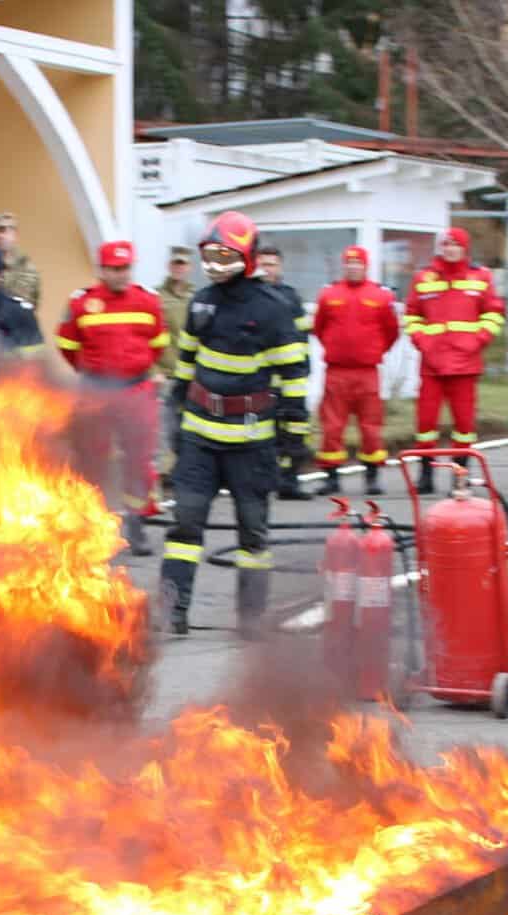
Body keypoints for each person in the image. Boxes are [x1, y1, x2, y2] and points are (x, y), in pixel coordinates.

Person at [161, 211, 310, 638]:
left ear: (246, 256)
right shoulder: (202, 302)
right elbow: (185, 366)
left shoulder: (273, 310)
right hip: (200, 438)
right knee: (185, 525)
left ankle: (250, 619)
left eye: (225, 255)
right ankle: (172, 611)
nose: (215, 264)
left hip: (252, 441)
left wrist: (294, 439)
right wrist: (176, 419)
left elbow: (294, 378)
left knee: (253, 534)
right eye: (209, 255)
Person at [56, 240, 169, 556]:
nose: (121, 275)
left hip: (137, 391)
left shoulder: (148, 302)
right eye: (115, 269)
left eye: (126, 268)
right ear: (101, 270)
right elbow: (66, 345)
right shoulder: (81, 303)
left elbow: (158, 343)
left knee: (139, 459)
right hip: (97, 392)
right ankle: (93, 526)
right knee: (92, 458)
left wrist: (134, 368)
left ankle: (136, 524)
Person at [402, 226, 505, 493]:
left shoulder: (480, 277)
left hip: (465, 364)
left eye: (455, 244)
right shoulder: (424, 278)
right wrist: (423, 342)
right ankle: (426, 474)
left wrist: (478, 340)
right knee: (425, 425)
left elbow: (494, 314)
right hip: (432, 364)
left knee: (464, 426)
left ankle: (460, 478)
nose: (450, 249)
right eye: (446, 244)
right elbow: (412, 315)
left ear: (464, 248)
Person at [312, 244, 402, 495]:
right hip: (336, 372)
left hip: (367, 373)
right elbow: (319, 329)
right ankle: (331, 478)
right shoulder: (329, 295)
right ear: (344, 266)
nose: (353, 267)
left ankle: (372, 477)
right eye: (349, 263)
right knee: (331, 427)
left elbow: (391, 331)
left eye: (358, 263)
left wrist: (373, 352)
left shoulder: (381, 296)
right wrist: (337, 348)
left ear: (365, 266)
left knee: (371, 427)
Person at [254, 243, 315, 497]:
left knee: (296, 427)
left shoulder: (291, 296)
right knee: (264, 430)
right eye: (263, 264)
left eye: (272, 264)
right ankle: (265, 479)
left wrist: (305, 363)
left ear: (280, 267)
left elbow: (302, 334)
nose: (268, 269)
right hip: (263, 377)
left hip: (291, 377)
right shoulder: (251, 297)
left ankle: (290, 481)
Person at [154, 247, 194, 480]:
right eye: (175, 264)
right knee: (163, 427)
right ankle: (164, 474)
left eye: (183, 264)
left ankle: (186, 471)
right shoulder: (157, 297)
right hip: (166, 373)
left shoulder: (197, 297)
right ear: (170, 266)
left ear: (189, 268)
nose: (179, 268)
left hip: (191, 375)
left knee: (188, 427)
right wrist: (155, 370)